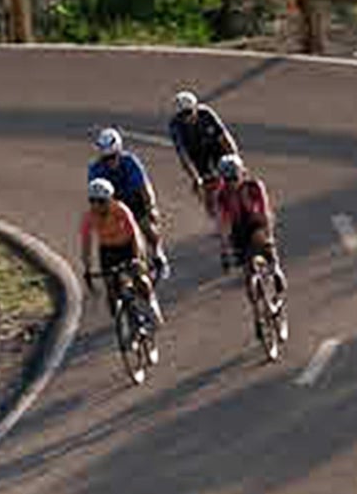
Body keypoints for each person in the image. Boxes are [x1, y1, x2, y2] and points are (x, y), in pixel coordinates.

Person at [80, 176, 162, 329]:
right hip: (108, 250)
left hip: (127, 245)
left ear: (110, 199)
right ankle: (123, 321)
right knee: (111, 288)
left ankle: (151, 304)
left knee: (139, 278)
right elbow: (86, 244)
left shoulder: (120, 209)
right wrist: (87, 269)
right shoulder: (89, 217)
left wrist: (137, 258)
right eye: (93, 201)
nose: (97, 205)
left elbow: (135, 233)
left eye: (101, 201)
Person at [89, 127, 169, 279]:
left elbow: (144, 188)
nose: (110, 162)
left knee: (146, 225)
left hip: (133, 200)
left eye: (113, 157)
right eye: (106, 159)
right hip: (111, 205)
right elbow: (94, 199)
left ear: (119, 152)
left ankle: (159, 255)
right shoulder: (95, 169)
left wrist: (151, 208)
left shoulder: (130, 162)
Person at [206, 153, 286, 295]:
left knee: (260, 238)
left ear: (242, 174)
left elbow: (264, 211)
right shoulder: (221, 196)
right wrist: (224, 251)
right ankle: (258, 311)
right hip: (239, 228)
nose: (232, 183)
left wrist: (268, 235)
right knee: (248, 272)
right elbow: (222, 223)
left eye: (234, 178)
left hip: (256, 221)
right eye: (227, 179)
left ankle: (275, 269)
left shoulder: (254, 186)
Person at [168, 89, 239, 194]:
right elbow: (184, 156)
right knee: (207, 185)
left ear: (196, 108)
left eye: (189, 112)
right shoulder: (175, 126)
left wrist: (235, 159)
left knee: (230, 172)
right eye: (181, 115)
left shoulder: (206, 114)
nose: (186, 118)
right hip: (196, 152)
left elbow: (224, 137)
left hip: (214, 146)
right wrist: (195, 178)